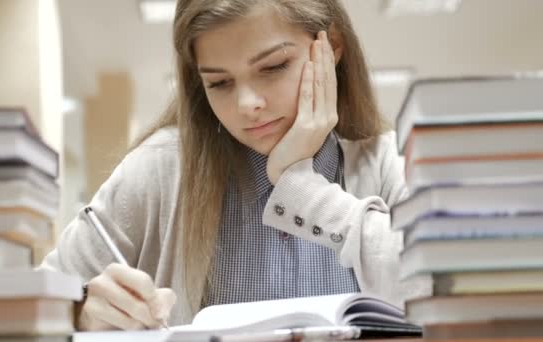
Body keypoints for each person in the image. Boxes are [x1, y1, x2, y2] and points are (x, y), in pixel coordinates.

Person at [40, 0, 429, 331]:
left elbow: (436, 291)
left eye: (273, 66)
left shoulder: (389, 165)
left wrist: (302, 188)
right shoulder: (158, 170)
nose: (247, 104)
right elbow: (31, 306)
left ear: (332, 47)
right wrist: (80, 312)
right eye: (219, 83)